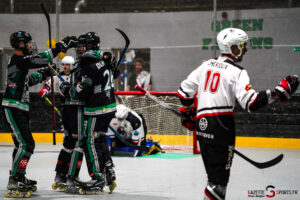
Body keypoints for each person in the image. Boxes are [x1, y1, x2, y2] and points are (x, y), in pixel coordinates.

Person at [177, 28, 299, 200]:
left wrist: (190, 112)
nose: (245, 48)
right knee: (218, 186)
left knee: (214, 181)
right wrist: (277, 92)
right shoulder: (237, 72)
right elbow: (251, 103)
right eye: (242, 45)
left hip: (203, 129)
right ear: (232, 48)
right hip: (222, 129)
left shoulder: (206, 65)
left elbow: (183, 93)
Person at [2, 31, 77, 198]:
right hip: (14, 108)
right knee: (27, 144)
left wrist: (44, 73)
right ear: (20, 44)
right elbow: (40, 59)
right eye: (27, 43)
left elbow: (28, 81)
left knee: (21, 144)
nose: (30, 45)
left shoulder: (20, 63)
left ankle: (19, 176)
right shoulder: (17, 59)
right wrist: (60, 47)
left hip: (18, 108)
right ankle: (14, 180)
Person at [72, 32, 119, 194]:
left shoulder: (89, 64)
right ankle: (108, 170)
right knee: (99, 139)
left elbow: (82, 90)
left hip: (96, 109)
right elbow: (116, 73)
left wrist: (71, 89)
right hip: (110, 106)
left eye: (82, 46)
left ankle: (97, 178)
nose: (80, 49)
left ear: (90, 46)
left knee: (89, 142)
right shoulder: (106, 58)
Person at [39, 55, 85, 192]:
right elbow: (49, 83)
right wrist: (44, 90)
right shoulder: (57, 77)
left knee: (76, 141)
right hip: (67, 111)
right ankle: (61, 174)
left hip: (78, 110)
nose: (65, 67)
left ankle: (70, 174)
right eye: (64, 64)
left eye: (68, 65)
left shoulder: (77, 76)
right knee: (68, 142)